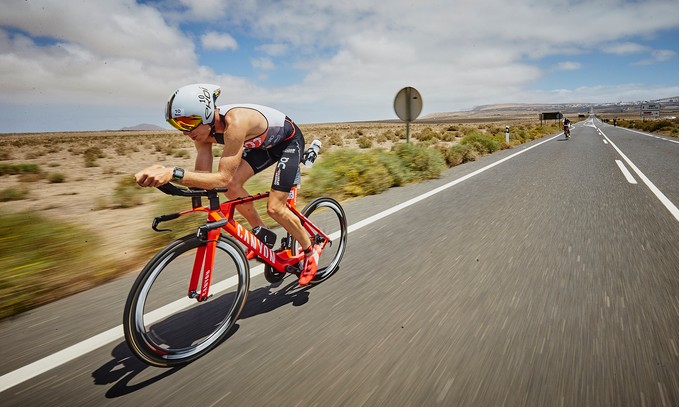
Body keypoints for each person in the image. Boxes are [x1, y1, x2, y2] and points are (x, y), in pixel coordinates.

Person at [134, 83, 321, 286]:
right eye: (178, 124)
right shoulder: (202, 133)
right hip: (260, 146)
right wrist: (175, 183)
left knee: (275, 207)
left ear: (206, 114)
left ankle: (310, 250)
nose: (185, 131)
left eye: (188, 122)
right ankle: (261, 231)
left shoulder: (235, 122)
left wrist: (173, 173)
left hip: (287, 142)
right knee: (232, 186)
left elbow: (221, 178)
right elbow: (202, 177)